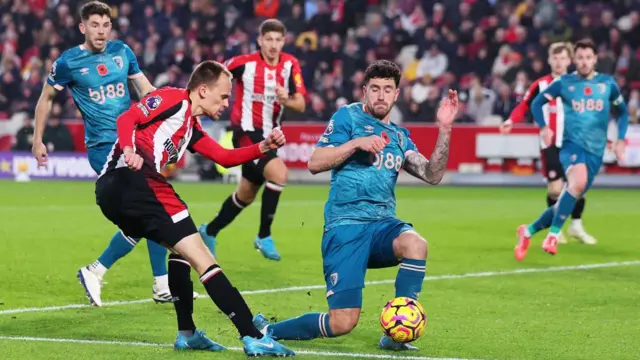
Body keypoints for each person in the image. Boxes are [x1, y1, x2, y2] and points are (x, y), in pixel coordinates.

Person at [251, 60, 458, 351]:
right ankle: (267, 329)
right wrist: (356, 144)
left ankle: (395, 333)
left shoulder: (399, 136)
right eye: (375, 88)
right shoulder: (347, 118)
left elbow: (432, 174)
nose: (381, 95)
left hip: (383, 225)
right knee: (342, 323)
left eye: (388, 89)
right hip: (345, 227)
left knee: (416, 245)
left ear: (397, 95)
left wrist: (445, 128)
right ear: (365, 91)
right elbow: (314, 163)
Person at [95, 60, 295, 356]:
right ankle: (251, 334)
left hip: (118, 192)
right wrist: (128, 149)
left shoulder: (191, 126)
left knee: (181, 253)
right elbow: (127, 119)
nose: (227, 103)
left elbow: (224, 157)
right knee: (203, 256)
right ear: (202, 90)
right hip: (131, 179)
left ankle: (187, 333)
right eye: (224, 95)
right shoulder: (173, 98)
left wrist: (262, 148)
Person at [31, 1, 178, 306]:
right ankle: (116, 274)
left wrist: (170, 116)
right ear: (82, 27)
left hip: (132, 143)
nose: (100, 30)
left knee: (148, 211)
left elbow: (145, 91)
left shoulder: (123, 53)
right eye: (94, 25)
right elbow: (45, 99)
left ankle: (148, 282)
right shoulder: (68, 62)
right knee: (152, 205)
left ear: (111, 26)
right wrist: (37, 139)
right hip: (103, 149)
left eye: (105, 24)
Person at [200, 19, 307, 261]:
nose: (273, 45)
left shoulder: (291, 64)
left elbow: (300, 104)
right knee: (279, 174)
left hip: (272, 134)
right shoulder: (243, 63)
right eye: (268, 39)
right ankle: (264, 235)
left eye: (278, 40)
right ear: (260, 40)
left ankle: (209, 230)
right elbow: (214, 74)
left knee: (246, 194)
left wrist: (286, 99)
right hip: (246, 132)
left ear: (284, 41)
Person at [514, 39, 628, 260]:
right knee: (577, 183)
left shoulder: (607, 84)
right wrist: (544, 127)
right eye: (580, 58)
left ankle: (527, 231)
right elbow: (537, 103)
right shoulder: (565, 83)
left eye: (588, 58)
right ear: (574, 60)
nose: (584, 62)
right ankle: (553, 235)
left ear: (595, 59)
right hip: (571, 146)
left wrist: (621, 139)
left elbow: (622, 113)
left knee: (570, 195)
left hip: (596, 151)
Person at [500, 42, 596, 245]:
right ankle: (557, 228)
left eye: (563, 58)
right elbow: (524, 105)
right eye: (556, 58)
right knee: (555, 190)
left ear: (570, 61)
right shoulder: (540, 84)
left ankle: (576, 226)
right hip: (550, 144)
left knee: (577, 185)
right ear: (549, 60)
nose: (559, 62)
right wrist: (511, 120)